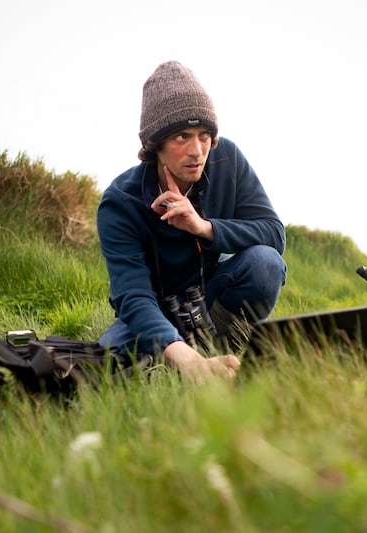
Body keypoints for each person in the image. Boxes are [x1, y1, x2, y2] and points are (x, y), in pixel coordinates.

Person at [97, 60, 287, 381]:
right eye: (182, 136)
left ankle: (217, 344)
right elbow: (132, 295)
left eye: (204, 135)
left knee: (265, 263)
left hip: (210, 297)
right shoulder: (119, 202)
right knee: (108, 360)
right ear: (154, 146)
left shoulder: (228, 159)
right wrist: (183, 356)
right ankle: (186, 355)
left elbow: (273, 234)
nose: (197, 151)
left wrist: (204, 228)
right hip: (154, 312)